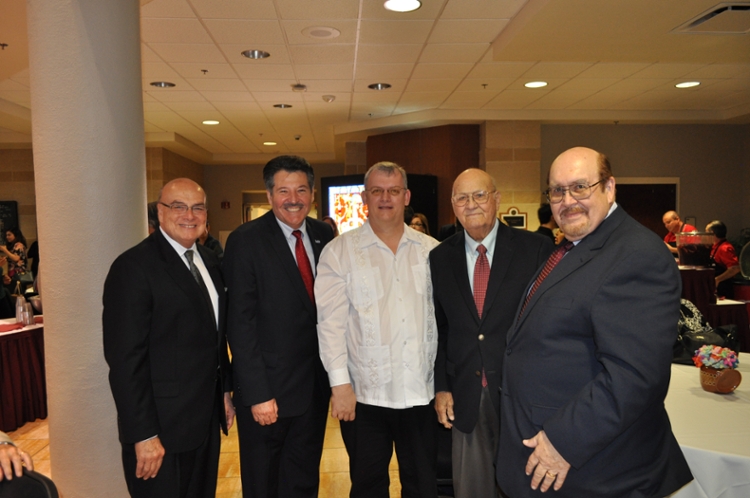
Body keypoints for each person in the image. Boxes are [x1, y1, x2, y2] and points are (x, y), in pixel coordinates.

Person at [497, 147, 692, 497]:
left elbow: (633, 375)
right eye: (557, 190)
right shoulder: (571, 247)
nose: (567, 200)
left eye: (580, 187)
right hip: (550, 462)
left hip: (594, 469)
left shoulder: (637, 254)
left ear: (610, 187)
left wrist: (562, 441)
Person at [103, 178, 234, 498]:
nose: (189, 215)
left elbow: (215, 338)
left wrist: (226, 390)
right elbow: (124, 360)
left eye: (197, 207)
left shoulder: (211, 261)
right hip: (160, 430)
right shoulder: (133, 267)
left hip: (204, 422)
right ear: (160, 213)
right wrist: (143, 434)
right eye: (178, 206)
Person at [316, 161, 440, 497]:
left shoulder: (433, 252)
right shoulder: (339, 252)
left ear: (406, 196)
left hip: (421, 394)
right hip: (365, 396)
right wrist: (340, 386)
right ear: (364, 198)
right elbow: (330, 325)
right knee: (368, 485)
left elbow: (446, 323)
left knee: (423, 485)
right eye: (377, 191)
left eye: (394, 191)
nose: (386, 198)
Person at [431, 169, 552, 498]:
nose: (471, 205)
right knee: (471, 489)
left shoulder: (536, 250)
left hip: (521, 393)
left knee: (526, 486)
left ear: (496, 199)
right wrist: (442, 387)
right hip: (467, 395)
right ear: (453, 206)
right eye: (461, 198)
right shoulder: (440, 257)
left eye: (479, 195)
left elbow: (546, 325)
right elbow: (440, 328)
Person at [223, 155, 334, 498]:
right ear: (269, 196)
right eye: (284, 190)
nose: (294, 198)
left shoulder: (323, 234)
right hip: (267, 393)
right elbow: (240, 324)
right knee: (265, 483)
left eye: (301, 189)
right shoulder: (245, 241)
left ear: (313, 194)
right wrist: (258, 394)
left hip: (313, 390)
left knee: (303, 480)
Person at [706, 220, 740, 299]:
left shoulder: (725, 248)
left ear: (712, 232)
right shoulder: (714, 246)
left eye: (706, 232)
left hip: (724, 290)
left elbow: (735, 269)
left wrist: (717, 279)